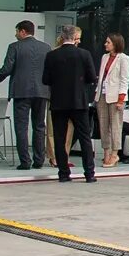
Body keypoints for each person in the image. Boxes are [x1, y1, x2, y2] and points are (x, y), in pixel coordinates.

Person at [0, 20, 50, 171]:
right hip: (42, 92)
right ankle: (39, 160)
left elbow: (6, 69)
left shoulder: (15, 47)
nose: (15, 35)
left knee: (21, 127)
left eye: (16, 31)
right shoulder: (46, 48)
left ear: (22, 31)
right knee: (39, 126)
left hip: (21, 92)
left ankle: (25, 162)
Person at [43, 26, 98, 182]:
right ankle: (89, 173)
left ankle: (63, 173)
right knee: (84, 137)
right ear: (74, 37)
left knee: (60, 138)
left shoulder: (51, 56)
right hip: (78, 101)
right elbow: (92, 77)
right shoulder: (84, 54)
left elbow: (45, 79)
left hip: (58, 102)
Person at [96, 33, 129, 168]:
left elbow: (124, 79)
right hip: (102, 94)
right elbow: (101, 77)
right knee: (103, 125)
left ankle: (115, 153)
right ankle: (106, 152)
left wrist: (121, 99)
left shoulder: (124, 58)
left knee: (115, 125)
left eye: (108, 42)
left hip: (116, 96)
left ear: (116, 44)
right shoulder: (104, 57)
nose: (105, 44)